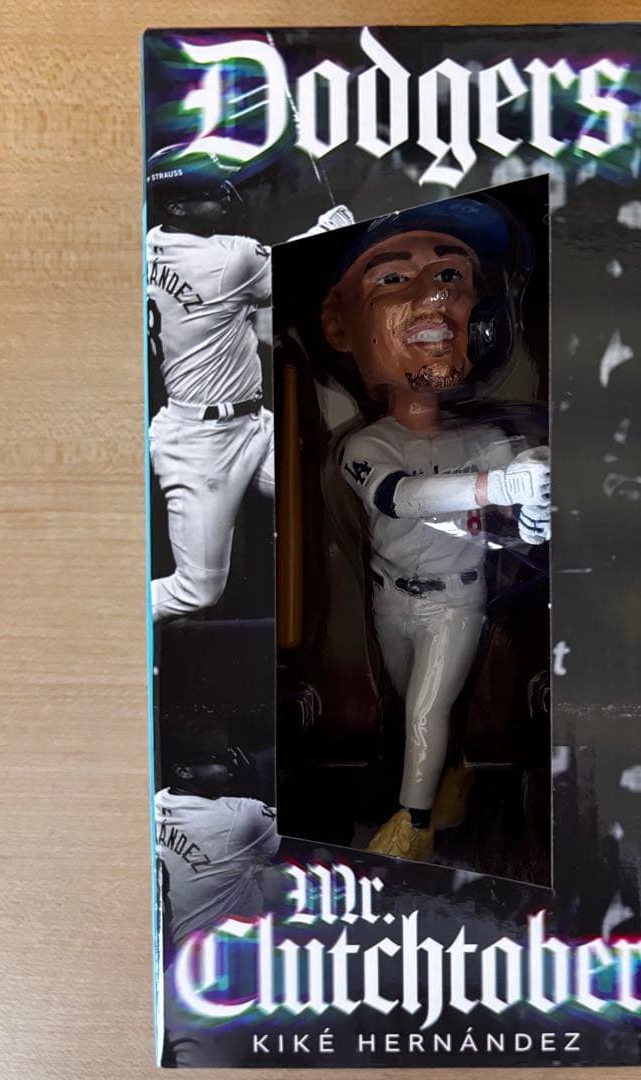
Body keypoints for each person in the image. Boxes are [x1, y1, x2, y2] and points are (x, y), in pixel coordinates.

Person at [320, 197, 551, 860]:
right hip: (391, 597)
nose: (434, 298)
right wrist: (498, 487)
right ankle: (451, 780)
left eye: (452, 276)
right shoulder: (367, 443)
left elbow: (529, 527)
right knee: (414, 708)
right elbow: (399, 498)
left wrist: (535, 494)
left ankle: (411, 829)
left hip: (457, 599)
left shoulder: (487, 440)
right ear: (339, 324)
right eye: (394, 278)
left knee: (425, 711)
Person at [146, 145, 353, 622]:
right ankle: (98, 619)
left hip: (254, 425)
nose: (226, 196)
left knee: (333, 484)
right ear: (176, 207)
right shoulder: (227, 258)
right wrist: (333, 228)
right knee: (196, 590)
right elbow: (301, 267)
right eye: (209, 193)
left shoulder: (148, 246)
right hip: (201, 445)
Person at [156, 721, 280, 1066]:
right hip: (220, 977)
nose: (231, 766)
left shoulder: (153, 806)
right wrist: (259, 777)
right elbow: (314, 848)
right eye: (219, 760)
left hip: (176, 975)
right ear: (183, 771)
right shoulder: (239, 816)